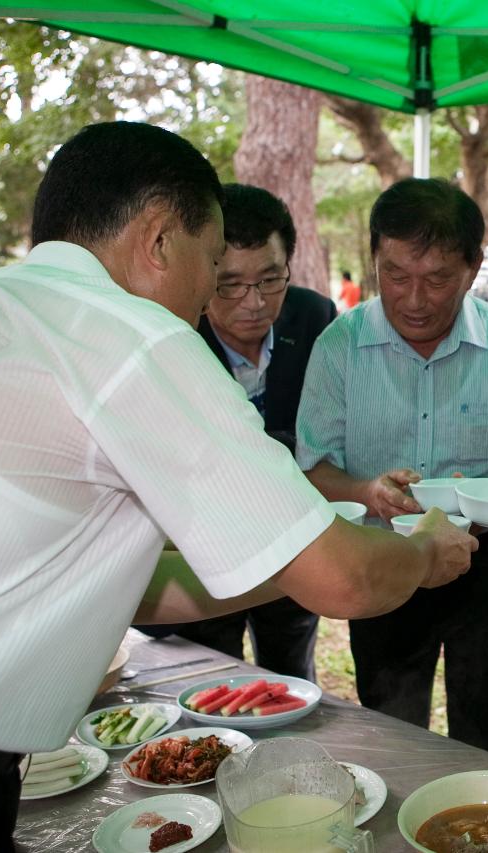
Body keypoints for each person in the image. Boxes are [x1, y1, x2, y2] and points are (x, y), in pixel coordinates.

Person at [0, 121, 475, 852]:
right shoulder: (129, 333)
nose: (210, 293)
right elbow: (346, 580)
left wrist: (286, 557)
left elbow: (143, 589)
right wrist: (425, 554)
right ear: (160, 238)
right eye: (213, 259)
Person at [297, 177, 488, 760]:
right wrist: (369, 492)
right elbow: (314, 470)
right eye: (395, 276)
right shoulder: (339, 347)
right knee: (392, 732)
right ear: (374, 262)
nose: (414, 300)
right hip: (383, 558)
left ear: (471, 270)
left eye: (437, 279)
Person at [146, 183, 337, 680]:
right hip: (202, 554)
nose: (253, 302)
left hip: (291, 540)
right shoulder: (174, 336)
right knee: (210, 681)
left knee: (291, 676)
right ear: (203, 268)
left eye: (271, 279)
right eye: (229, 284)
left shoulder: (315, 317)